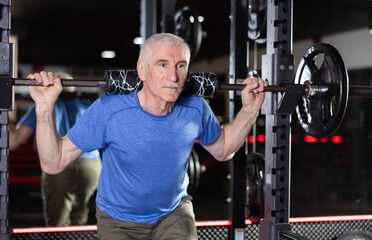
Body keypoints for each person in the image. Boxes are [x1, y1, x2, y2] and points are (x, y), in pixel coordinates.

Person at [26, 33, 267, 239]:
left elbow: (223, 149)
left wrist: (250, 110)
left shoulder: (196, 107)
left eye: (180, 65)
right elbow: (53, 162)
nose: (173, 77)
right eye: (162, 64)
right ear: (142, 70)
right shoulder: (110, 110)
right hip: (118, 219)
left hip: (173, 212)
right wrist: (44, 107)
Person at [9, 71, 102, 226]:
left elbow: (13, 141)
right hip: (92, 166)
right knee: (80, 219)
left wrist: (7, 116)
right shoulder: (88, 106)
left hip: (59, 167)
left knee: (57, 223)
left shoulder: (43, 104)